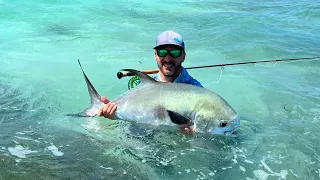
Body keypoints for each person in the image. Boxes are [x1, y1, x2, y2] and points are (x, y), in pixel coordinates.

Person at [97, 30, 203, 134]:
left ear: (183, 56)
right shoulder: (144, 86)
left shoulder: (197, 91)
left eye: (175, 53)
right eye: (162, 52)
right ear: (155, 56)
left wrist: (191, 138)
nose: (168, 58)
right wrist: (111, 114)